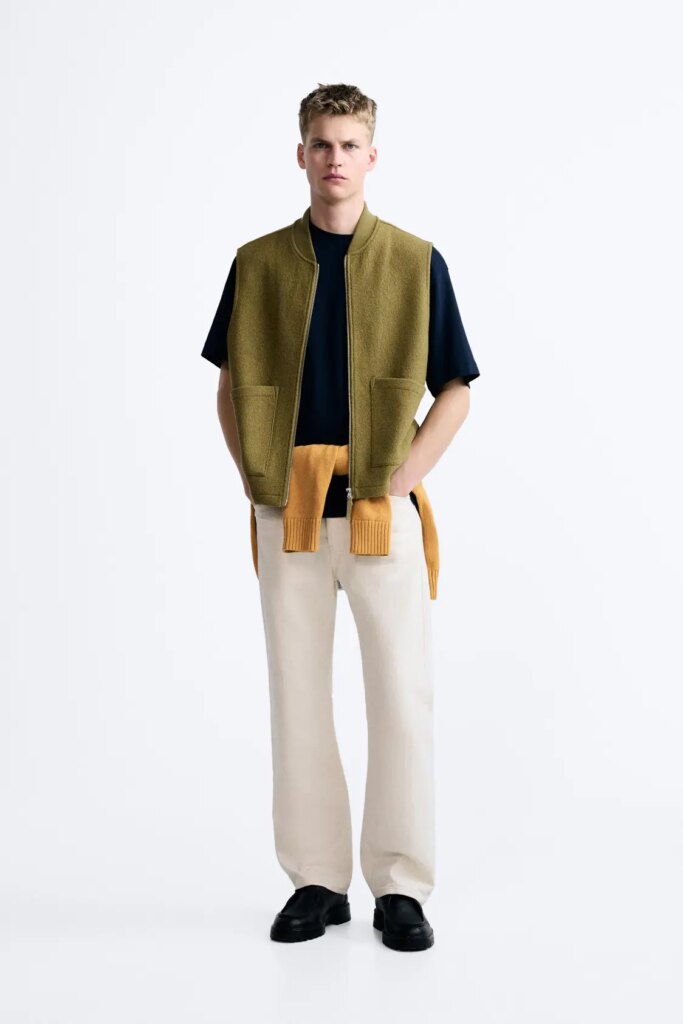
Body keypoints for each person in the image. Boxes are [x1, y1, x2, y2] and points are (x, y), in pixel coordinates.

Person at [201, 82, 480, 952]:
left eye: (349, 144)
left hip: (378, 513)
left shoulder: (414, 260)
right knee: (297, 696)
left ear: (371, 155)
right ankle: (316, 882)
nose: (334, 158)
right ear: (300, 154)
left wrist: (399, 481)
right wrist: (255, 481)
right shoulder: (257, 263)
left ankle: (399, 885)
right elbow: (228, 387)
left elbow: (455, 389)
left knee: (400, 696)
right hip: (286, 511)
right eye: (321, 143)